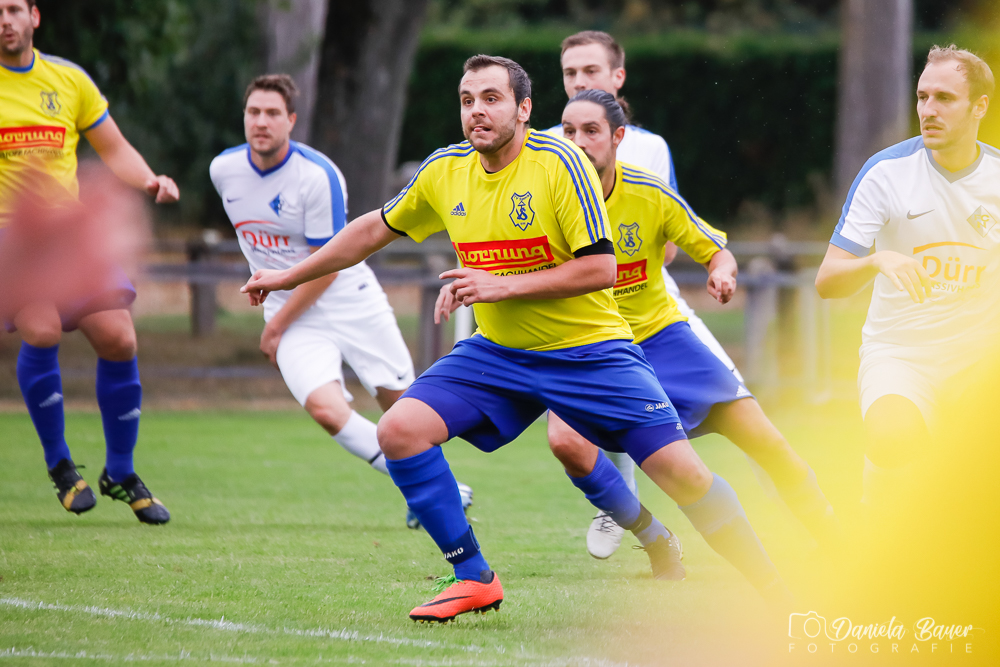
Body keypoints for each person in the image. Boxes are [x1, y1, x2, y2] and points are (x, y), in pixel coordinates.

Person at [242, 55, 788, 623]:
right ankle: (474, 578)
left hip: (590, 352)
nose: (476, 111)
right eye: (467, 100)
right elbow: (372, 229)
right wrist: (288, 275)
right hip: (501, 353)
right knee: (400, 430)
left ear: (525, 109)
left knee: (685, 476)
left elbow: (600, 268)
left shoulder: (561, 163)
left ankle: (781, 597)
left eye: (491, 99)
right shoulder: (445, 169)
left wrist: (498, 285)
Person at [550, 90, 839, 556]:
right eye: (568, 131)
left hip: (661, 340)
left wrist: (722, 272)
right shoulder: (544, 199)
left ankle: (839, 543)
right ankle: (653, 538)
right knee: (567, 443)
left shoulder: (649, 192)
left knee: (768, 443)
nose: (578, 141)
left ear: (618, 137)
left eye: (591, 131)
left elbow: (715, 250)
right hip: (589, 349)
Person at [210, 74, 472, 527]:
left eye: (272, 113)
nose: (261, 122)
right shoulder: (223, 170)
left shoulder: (317, 176)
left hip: (348, 300)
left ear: (291, 120)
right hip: (290, 312)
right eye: (253, 112)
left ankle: (431, 489)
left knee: (405, 408)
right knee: (327, 411)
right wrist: (280, 317)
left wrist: (274, 327)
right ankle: (430, 491)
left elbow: (327, 267)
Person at [550, 30, 748, 558]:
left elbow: (670, 239)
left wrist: (617, 261)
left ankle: (767, 511)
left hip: (653, 304)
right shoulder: (545, 147)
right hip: (575, 318)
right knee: (568, 439)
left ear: (618, 77)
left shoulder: (649, 148)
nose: (579, 81)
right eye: (570, 73)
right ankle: (629, 511)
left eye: (590, 71)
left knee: (737, 407)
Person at [0, 0, 178, 523]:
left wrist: (148, 180)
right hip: (13, 242)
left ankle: (120, 471)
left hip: (70, 239)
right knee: (42, 331)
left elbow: (113, 148)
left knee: (120, 338)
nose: (4, 20)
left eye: (13, 9)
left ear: (34, 16)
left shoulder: (69, 80)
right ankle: (60, 465)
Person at [815, 45, 998, 506]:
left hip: (981, 361)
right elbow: (828, 280)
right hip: (901, 355)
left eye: (945, 98)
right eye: (922, 97)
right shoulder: (886, 173)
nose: (928, 110)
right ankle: (876, 520)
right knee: (893, 439)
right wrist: (877, 261)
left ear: (980, 106)